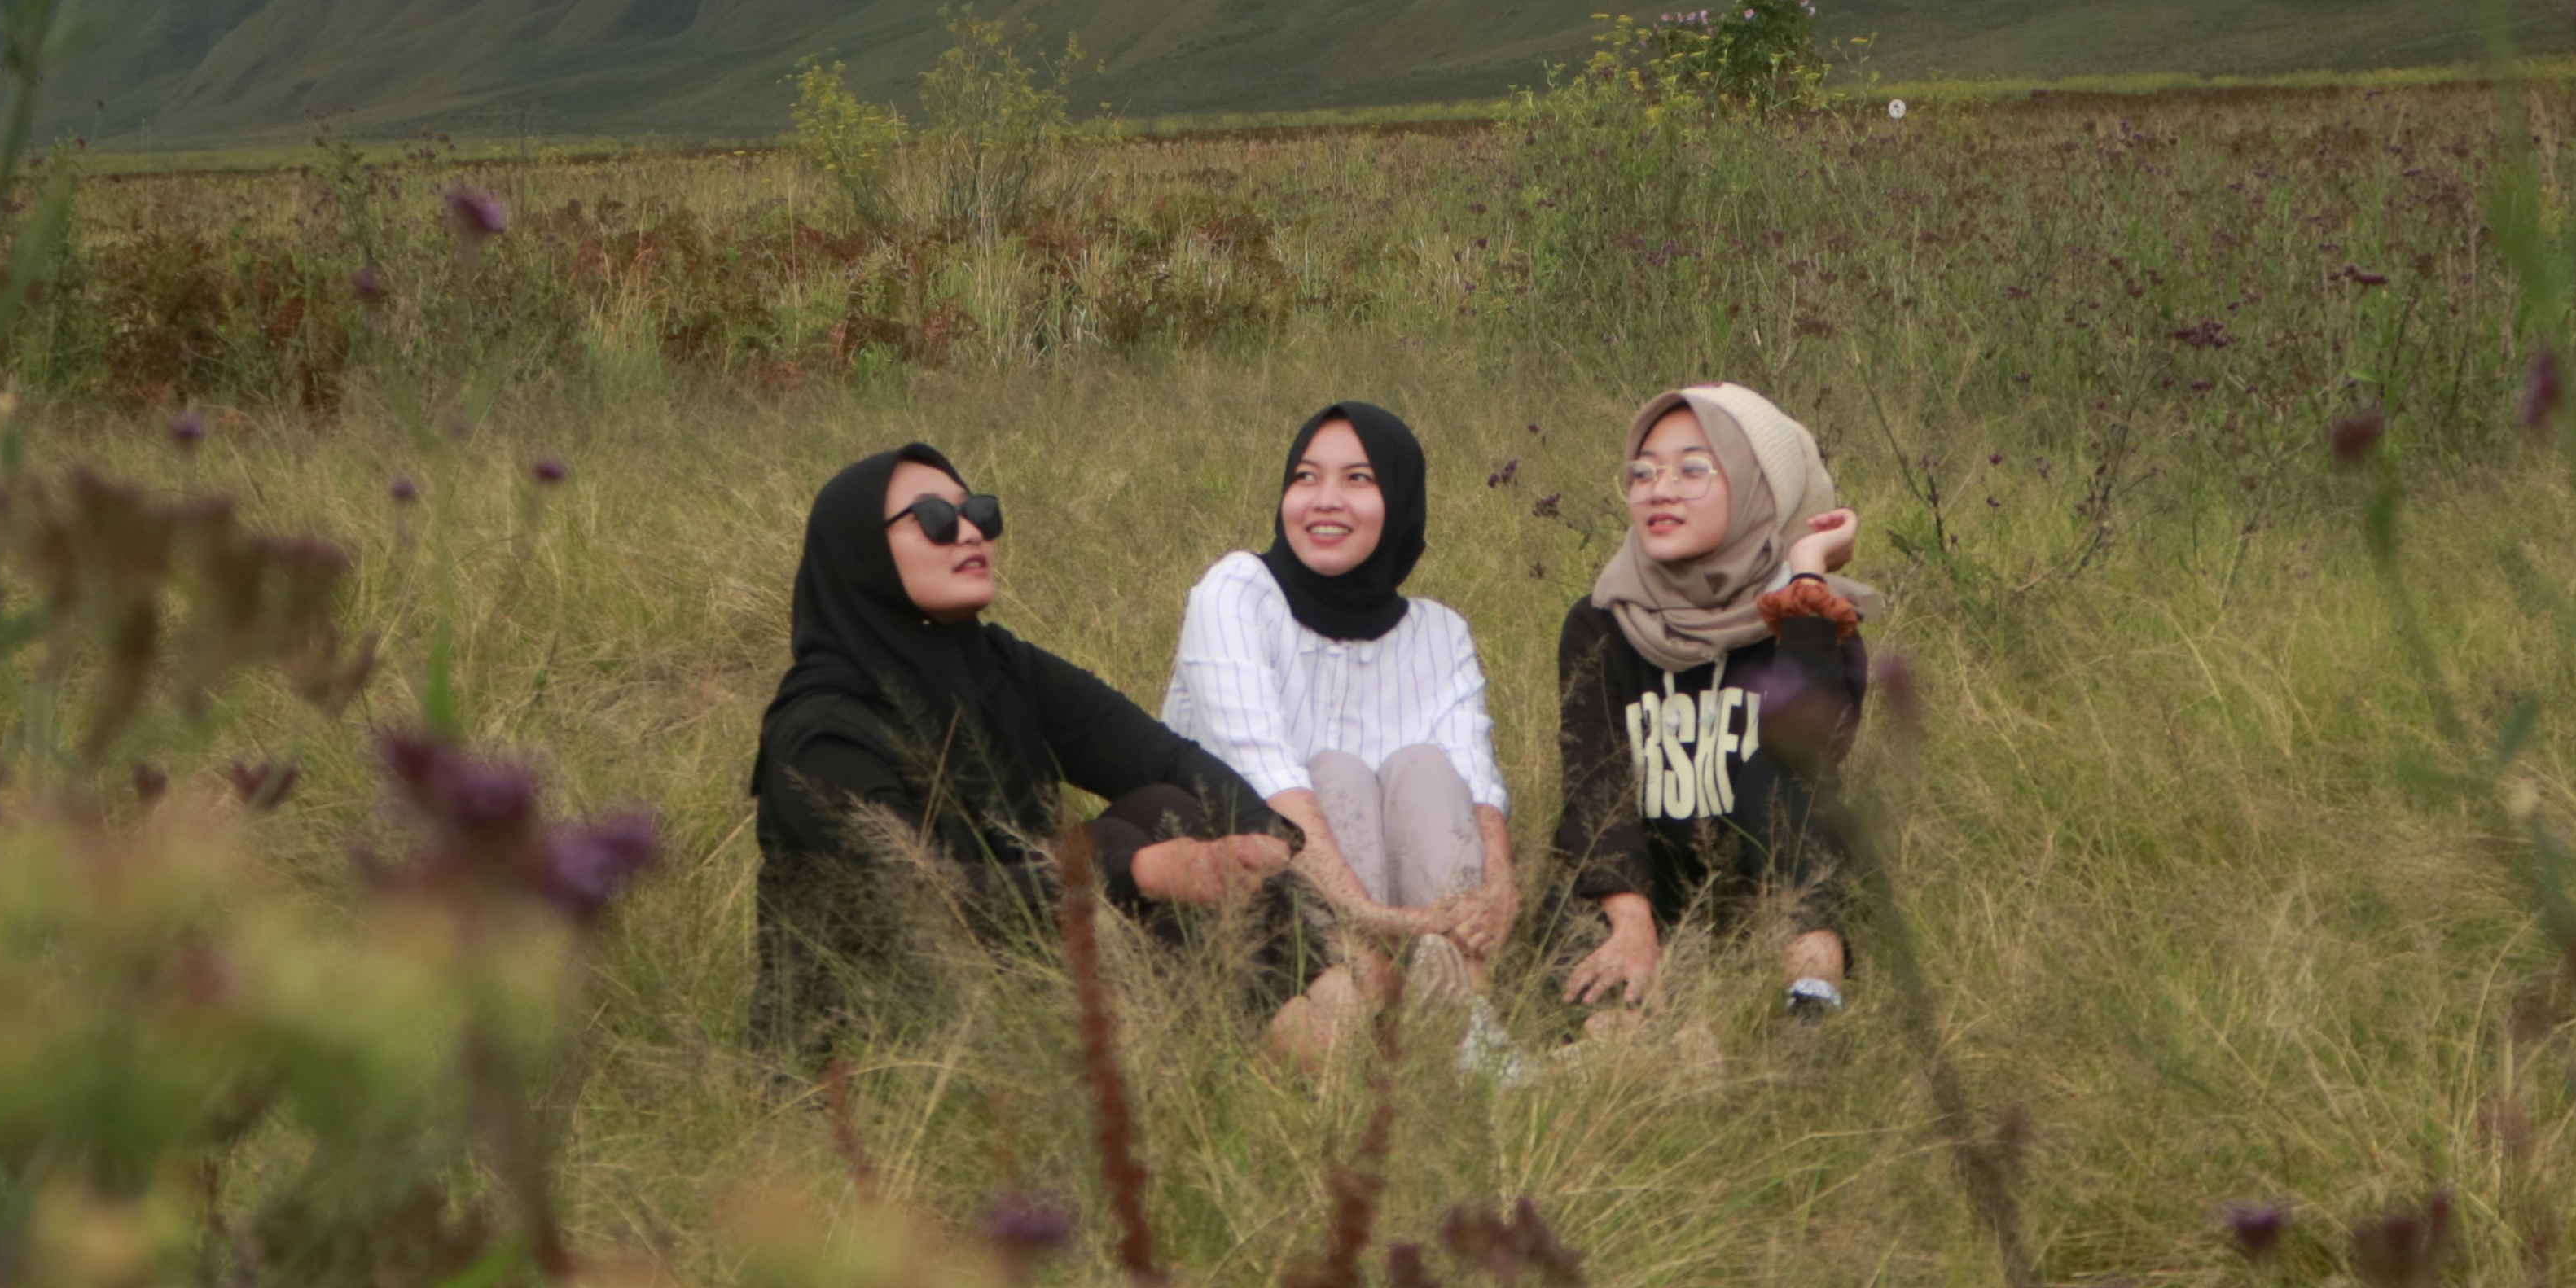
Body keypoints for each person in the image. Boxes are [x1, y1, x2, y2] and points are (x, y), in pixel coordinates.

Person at [748, 441, 1299, 1060]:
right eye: (932, 518)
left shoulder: (996, 665)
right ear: (860, 553)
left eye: (979, 512)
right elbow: (921, 904)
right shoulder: (822, 731)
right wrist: (1141, 872)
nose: (968, 533)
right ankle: (1270, 1038)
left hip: (1018, 973)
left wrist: (1262, 832)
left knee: (1163, 804)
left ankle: (1302, 1011)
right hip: (880, 1037)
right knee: (1122, 851)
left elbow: (1158, 756)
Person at [1160, 402, 1519, 1048]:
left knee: (1427, 768)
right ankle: (1359, 1004)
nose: (1326, 501)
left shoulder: (1439, 632)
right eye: (1306, 477)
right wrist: (1373, 918)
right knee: (1335, 774)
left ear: (1401, 500)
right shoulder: (1236, 592)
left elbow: (1477, 782)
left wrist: (1498, 886)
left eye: (1359, 479)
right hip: (1268, 906)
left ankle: (1462, 1022)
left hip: (1421, 919)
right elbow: (1264, 776)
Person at [1552, 383, 1872, 1026]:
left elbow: (1818, 747)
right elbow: (1595, 783)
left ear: (1760, 488)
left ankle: (1809, 1001)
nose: (1658, 489)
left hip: (1767, 880)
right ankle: (1610, 1039)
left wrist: (1805, 571)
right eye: (1643, 472)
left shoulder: (1808, 616)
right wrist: (1634, 921)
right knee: (1575, 867)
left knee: (1784, 776)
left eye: (1693, 469)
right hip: (1648, 876)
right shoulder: (1600, 624)